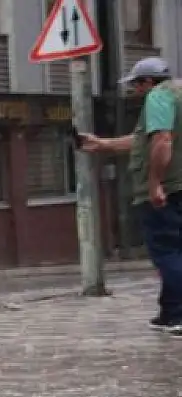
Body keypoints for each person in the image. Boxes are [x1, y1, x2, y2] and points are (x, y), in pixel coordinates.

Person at [80, 57, 182, 333]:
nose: (135, 90)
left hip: (169, 190)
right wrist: (103, 144)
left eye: (137, 84)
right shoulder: (178, 94)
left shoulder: (158, 97)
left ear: (149, 82)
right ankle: (168, 311)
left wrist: (154, 183)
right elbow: (142, 141)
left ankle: (178, 315)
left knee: (168, 252)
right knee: (175, 251)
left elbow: (161, 140)